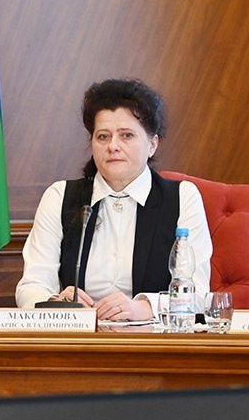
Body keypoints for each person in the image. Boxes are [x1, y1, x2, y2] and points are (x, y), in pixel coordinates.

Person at [15, 78, 212, 320]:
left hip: (153, 338)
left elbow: (197, 293)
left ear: (152, 144)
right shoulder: (60, 196)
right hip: (81, 338)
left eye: (127, 135)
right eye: (103, 136)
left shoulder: (183, 197)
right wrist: (55, 304)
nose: (113, 146)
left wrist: (144, 308)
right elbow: (31, 286)